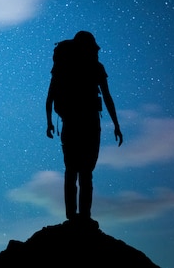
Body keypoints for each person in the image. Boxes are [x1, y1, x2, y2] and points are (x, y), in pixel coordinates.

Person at [45, 31, 123, 224]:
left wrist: (48, 123)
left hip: (70, 123)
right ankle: (84, 217)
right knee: (85, 171)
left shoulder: (62, 68)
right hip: (89, 123)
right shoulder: (95, 67)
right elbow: (107, 97)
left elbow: (50, 97)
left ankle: (72, 216)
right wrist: (116, 124)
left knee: (72, 170)